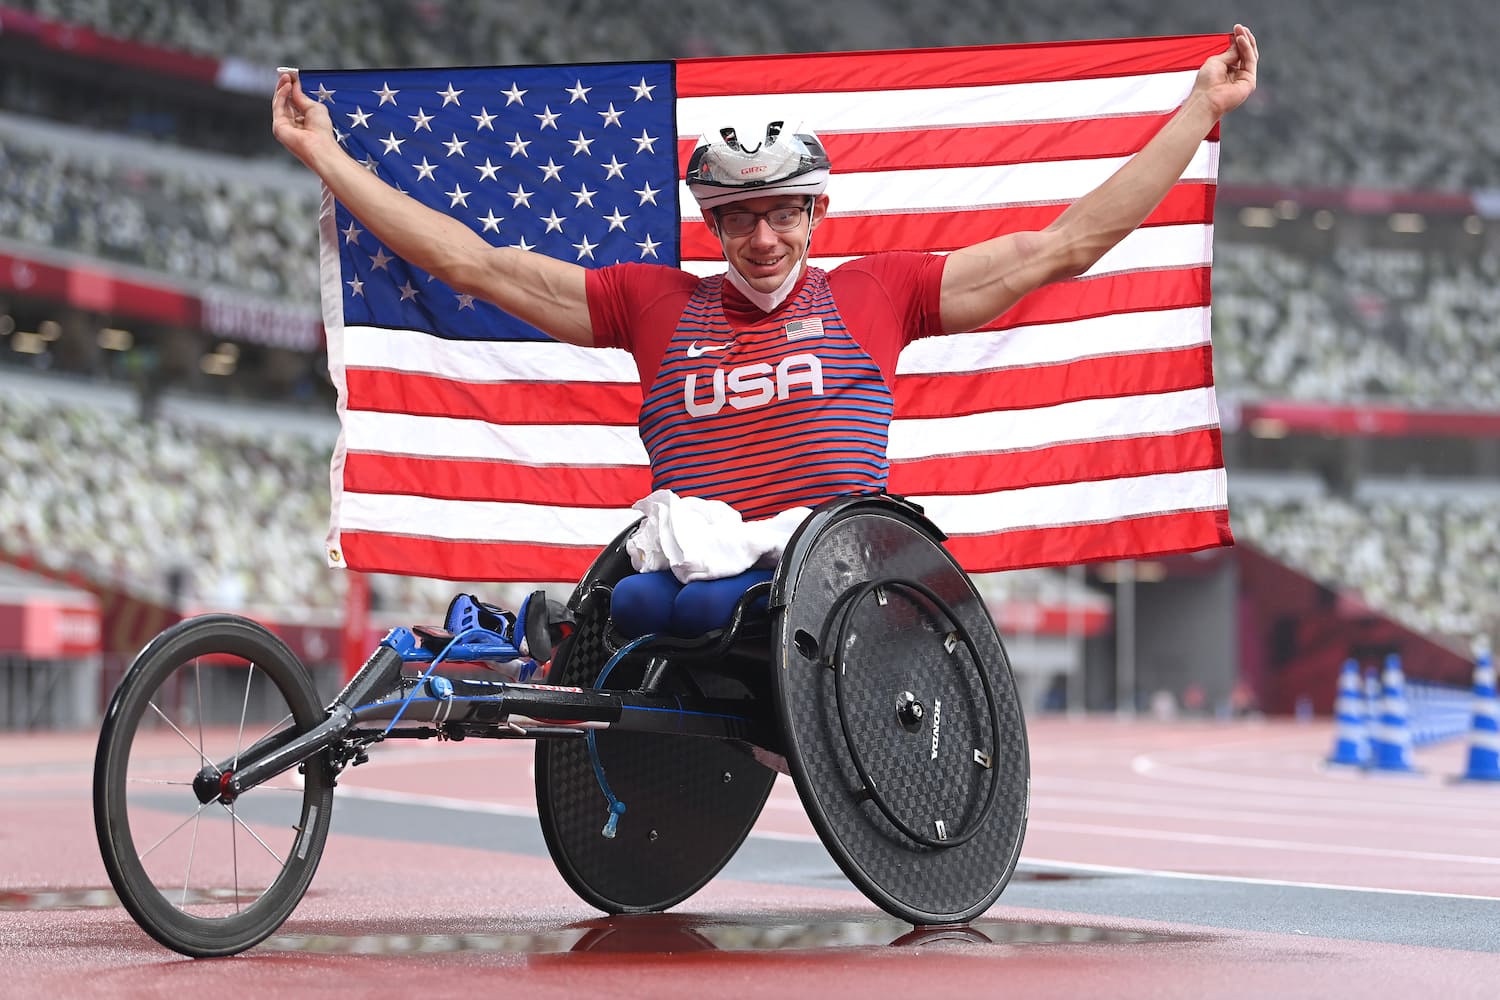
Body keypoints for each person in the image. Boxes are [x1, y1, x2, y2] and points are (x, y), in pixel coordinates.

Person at [272, 25, 1259, 639]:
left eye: (784, 213)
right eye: (740, 218)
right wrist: (326, 157)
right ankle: (538, 629)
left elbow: (1067, 245)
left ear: (815, 215)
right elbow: (472, 264)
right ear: (713, 226)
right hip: (694, 562)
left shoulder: (881, 294)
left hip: (828, 577)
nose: (764, 236)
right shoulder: (653, 305)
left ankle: (549, 624)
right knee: (657, 605)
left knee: (696, 609)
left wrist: (1196, 109)